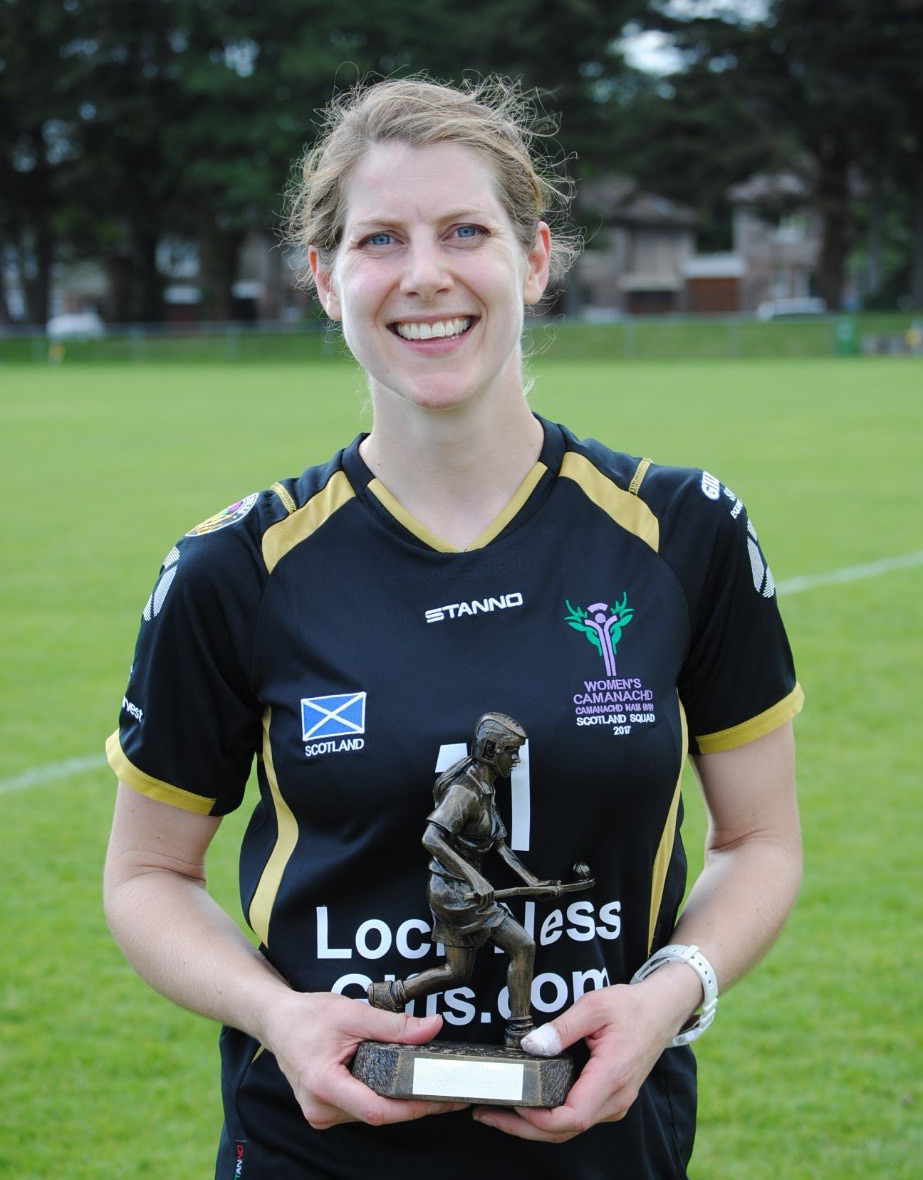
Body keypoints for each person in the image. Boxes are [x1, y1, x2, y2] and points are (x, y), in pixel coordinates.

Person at [104, 75, 804, 1180]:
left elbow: (759, 842)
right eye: (379, 239)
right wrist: (277, 1015)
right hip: (315, 1150)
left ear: (531, 258)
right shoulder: (232, 568)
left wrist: (673, 992)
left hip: (608, 1147)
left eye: (463, 231)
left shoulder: (682, 531)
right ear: (324, 279)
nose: (424, 274)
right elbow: (145, 876)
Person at [368, 711, 564, 1049]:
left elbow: (500, 847)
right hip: (454, 893)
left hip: (459, 890)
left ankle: (390, 994)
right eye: (511, 751)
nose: (516, 760)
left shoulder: (485, 788)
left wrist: (534, 883)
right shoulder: (465, 791)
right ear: (489, 750)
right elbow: (431, 838)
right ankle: (519, 1031)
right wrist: (474, 877)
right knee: (524, 946)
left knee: (456, 973)